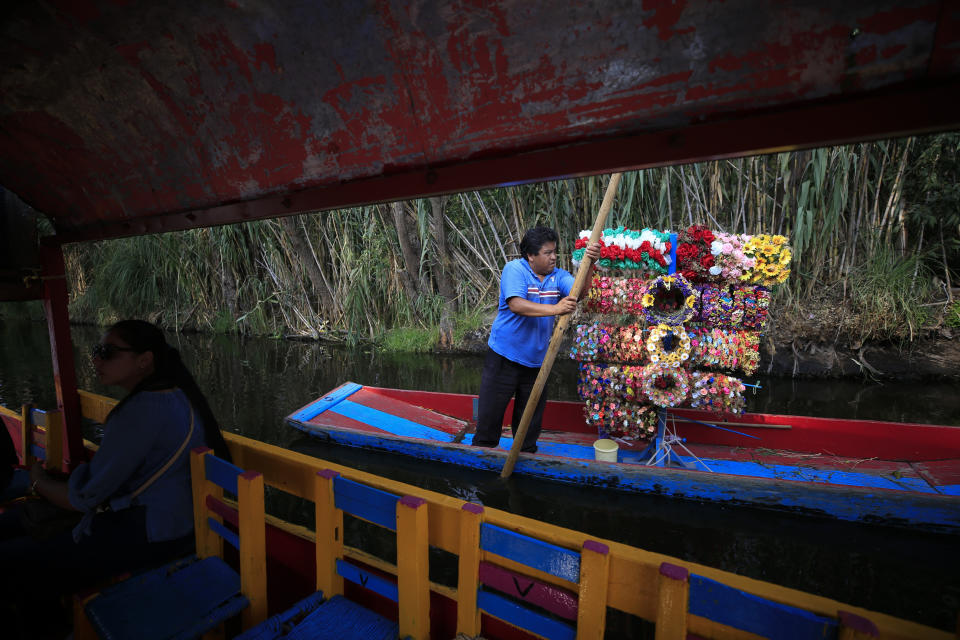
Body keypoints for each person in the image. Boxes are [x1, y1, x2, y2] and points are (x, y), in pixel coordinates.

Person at [0, 320, 231, 635]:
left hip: (151, 534)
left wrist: (38, 481)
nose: (96, 360)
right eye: (97, 351)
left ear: (144, 361)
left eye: (107, 352)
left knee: (16, 562)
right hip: (178, 524)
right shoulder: (178, 396)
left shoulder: (139, 412)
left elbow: (84, 499)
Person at [473, 226, 600, 453]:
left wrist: (589, 266)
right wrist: (556, 309)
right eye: (547, 253)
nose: (553, 257)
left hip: (536, 361)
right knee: (490, 417)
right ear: (530, 256)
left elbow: (578, 293)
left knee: (529, 421)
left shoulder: (558, 276)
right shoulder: (515, 269)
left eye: (554, 252)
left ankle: (525, 456)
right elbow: (516, 304)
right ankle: (483, 454)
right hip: (505, 357)